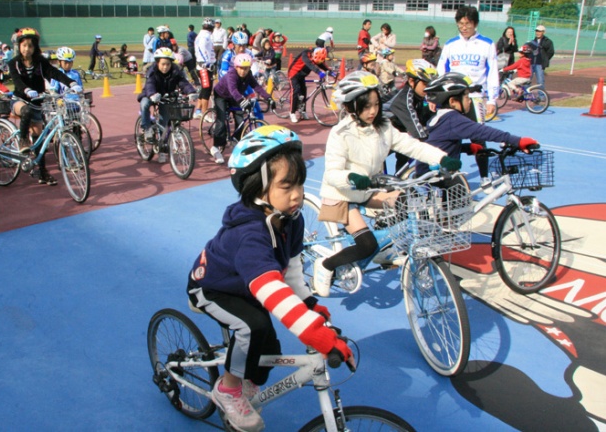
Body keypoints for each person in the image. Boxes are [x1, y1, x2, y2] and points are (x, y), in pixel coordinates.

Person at [188, 125, 355, 432]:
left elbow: (290, 269)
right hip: (212, 288)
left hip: (248, 287)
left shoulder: (292, 219)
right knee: (253, 327)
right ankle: (227, 389)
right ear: (257, 188)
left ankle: (242, 379)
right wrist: (315, 333)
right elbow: (270, 288)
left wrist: (310, 306)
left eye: (300, 185)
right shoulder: (248, 233)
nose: (298, 195)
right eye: (287, 186)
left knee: (269, 351)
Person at [313, 71, 461, 297]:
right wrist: (352, 178)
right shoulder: (340, 133)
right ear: (352, 107)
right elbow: (332, 172)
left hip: (369, 189)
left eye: (375, 105)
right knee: (366, 245)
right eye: (365, 106)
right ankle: (327, 265)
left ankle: (386, 248)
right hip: (343, 194)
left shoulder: (383, 127)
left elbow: (412, 146)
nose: (372, 111)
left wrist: (440, 158)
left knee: (406, 200)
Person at [418, 71, 538, 179]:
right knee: (460, 194)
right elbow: (482, 131)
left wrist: (466, 148)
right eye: (466, 97)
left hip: (431, 170)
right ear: (453, 101)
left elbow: (441, 144)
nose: (469, 101)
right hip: (434, 175)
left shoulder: (443, 116)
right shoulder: (453, 119)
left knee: (461, 194)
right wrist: (516, 140)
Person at [7, 27, 80, 185]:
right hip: (20, 100)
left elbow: (54, 73)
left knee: (40, 141)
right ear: (19, 46)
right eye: (24, 45)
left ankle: (42, 172)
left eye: (31, 46)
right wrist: (26, 90)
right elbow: (17, 82)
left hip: (37, 103)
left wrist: (72, 83)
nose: (27, 49)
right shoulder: (14, 63)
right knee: (25, 111)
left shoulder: (40, 62)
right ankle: (23, 140)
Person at [437, 6, 499, 182]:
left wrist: (492, 100)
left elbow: (493, 72)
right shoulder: (450, 44)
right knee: (451, 136)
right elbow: (441, 70)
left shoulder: (487, 44)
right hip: (453, 98)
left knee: (478, 137)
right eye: (461, 24)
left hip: (475, 97)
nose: (464, 27)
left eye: (468, 24)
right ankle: (452, 173)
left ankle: (485, 176)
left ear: (475, 24)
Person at [210, 53, 273, 164]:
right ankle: (216, 147)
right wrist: (241, 101)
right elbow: (233, 90)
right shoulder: (231, 75)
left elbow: (257, 87)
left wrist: (269, 98)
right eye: (241, 68)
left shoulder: (249, 75)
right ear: (236, 67)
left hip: (235, 96)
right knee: (221, 121)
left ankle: (236, 140)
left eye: (246, 68)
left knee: (240, 119)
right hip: (222, 95)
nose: (244, 71)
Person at [137, 47, 196, 162]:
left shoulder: (175, 71)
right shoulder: (152, 71)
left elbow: (183, 82)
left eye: (168, 64)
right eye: (163, 64)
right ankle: (147, 128)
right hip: (150, 94)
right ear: (157, 63)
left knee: (164, 123)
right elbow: (150, 84)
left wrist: (191, 92)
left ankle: (162, 149)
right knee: (144, 104)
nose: (165, 67)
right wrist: (152, 94)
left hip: (166, 97)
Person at [387, 59, 439, 172]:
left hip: (398, 133)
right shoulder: (404, 98)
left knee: (405, 155)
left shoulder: (418, 95)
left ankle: (401, 182)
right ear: (411, 81)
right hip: (380, 136)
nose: (428, 88)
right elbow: (418, 132)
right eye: (425, 83)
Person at [288, 47, 330, 123]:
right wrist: (318, 72)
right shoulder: (305, 54)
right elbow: (309, 64)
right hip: (294, 74)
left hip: (302, 76)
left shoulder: (316, 56)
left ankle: (302, 111)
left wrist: (330, 72)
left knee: (303, 92)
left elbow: (321, 64)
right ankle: (292, 112)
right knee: (295, 91)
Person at [194, 17, 217, 119]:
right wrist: (205, 63)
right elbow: (201, 49)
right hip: (205, 67)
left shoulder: (204, 35)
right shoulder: (205, 36)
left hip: (205, 66)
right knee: (207, 90)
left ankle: (198, 110)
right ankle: (205, 114)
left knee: (204, 89)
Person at [529, 25, 554, 89]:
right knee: (527, 80)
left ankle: (541, 96)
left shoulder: (548, 41)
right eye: (537, 31)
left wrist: (545, 59)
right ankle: (525, 94)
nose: (538, 33)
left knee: (540, 81)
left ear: (543, 32)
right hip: (531, 63)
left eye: (540, 31)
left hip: (540, 64)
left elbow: (551, 52)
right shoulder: (532, 42)